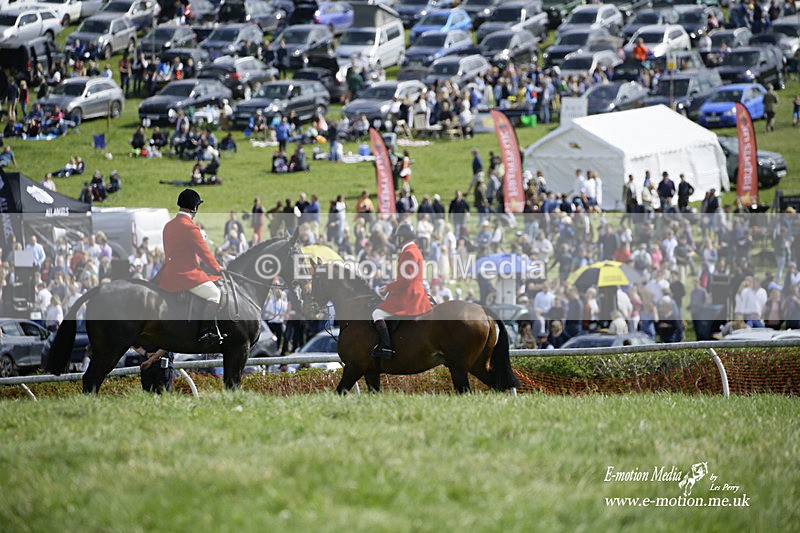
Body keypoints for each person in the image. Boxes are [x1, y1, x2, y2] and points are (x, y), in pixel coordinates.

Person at [158, 189, 225, 344]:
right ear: (194, 208)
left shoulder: (168, 225)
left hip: (168, 274)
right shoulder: (191, 228)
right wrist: (217, 268)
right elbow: (205, 253)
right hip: (186, 275)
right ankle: (205, 333)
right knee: (215, 294)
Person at [370, 223, 432, 359]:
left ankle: (387, 347)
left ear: (402, 238)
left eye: (398, 237)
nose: (397, 240)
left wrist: (388, 287)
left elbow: (405, 280)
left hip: (409, 295)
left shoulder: (409, 252)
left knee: (377, 313)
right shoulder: (414, 250)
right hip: (412, 291)